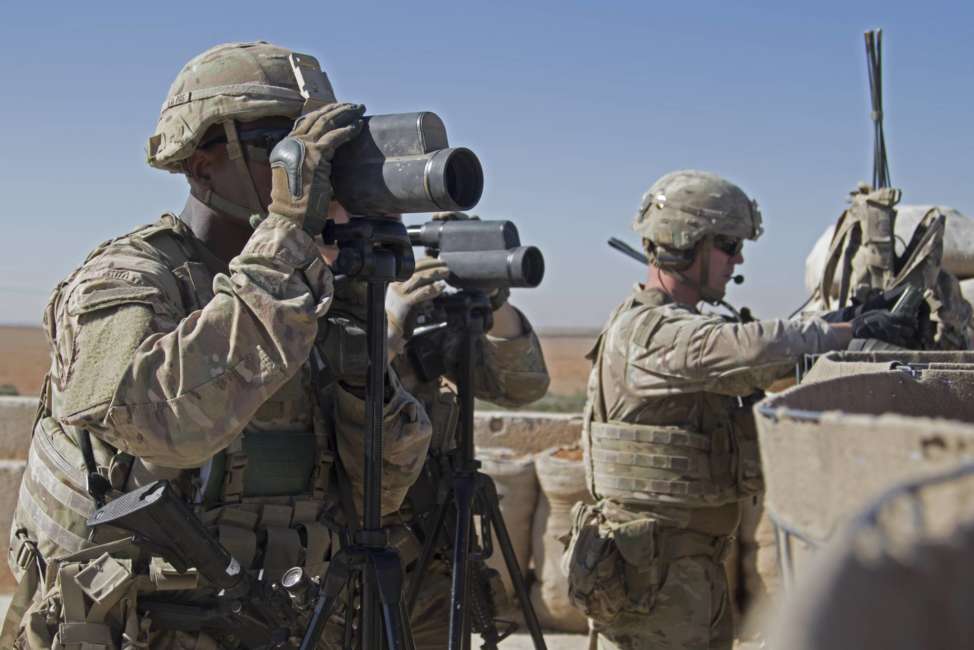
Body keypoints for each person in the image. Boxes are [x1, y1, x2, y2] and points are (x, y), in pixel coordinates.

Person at [3, 41, 433, 649]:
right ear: (201, 164)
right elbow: (160, 426)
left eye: (320, 148)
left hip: (283, 620)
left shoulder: (302, 290)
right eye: (278, 146)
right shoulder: (128, 277)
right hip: (143, 627)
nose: (307, 167)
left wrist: (362, 374)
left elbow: (380, 495)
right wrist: (287, 237)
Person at [562, 169, 917, 650]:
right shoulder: (649, 331)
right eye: (728, 245)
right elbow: (746, 351)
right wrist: (843, 333)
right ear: (684, 242)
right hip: (650, 586)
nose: (739, 258)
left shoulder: (679, 331)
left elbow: (746, 359)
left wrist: (843, 320)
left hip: (681, 573)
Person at [383, 211, 551, 649]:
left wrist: (492, 299)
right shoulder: (321, 308)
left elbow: (523, 386)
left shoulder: (427, 316)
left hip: (436, 563)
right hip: (360, 564)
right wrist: (390, 328)